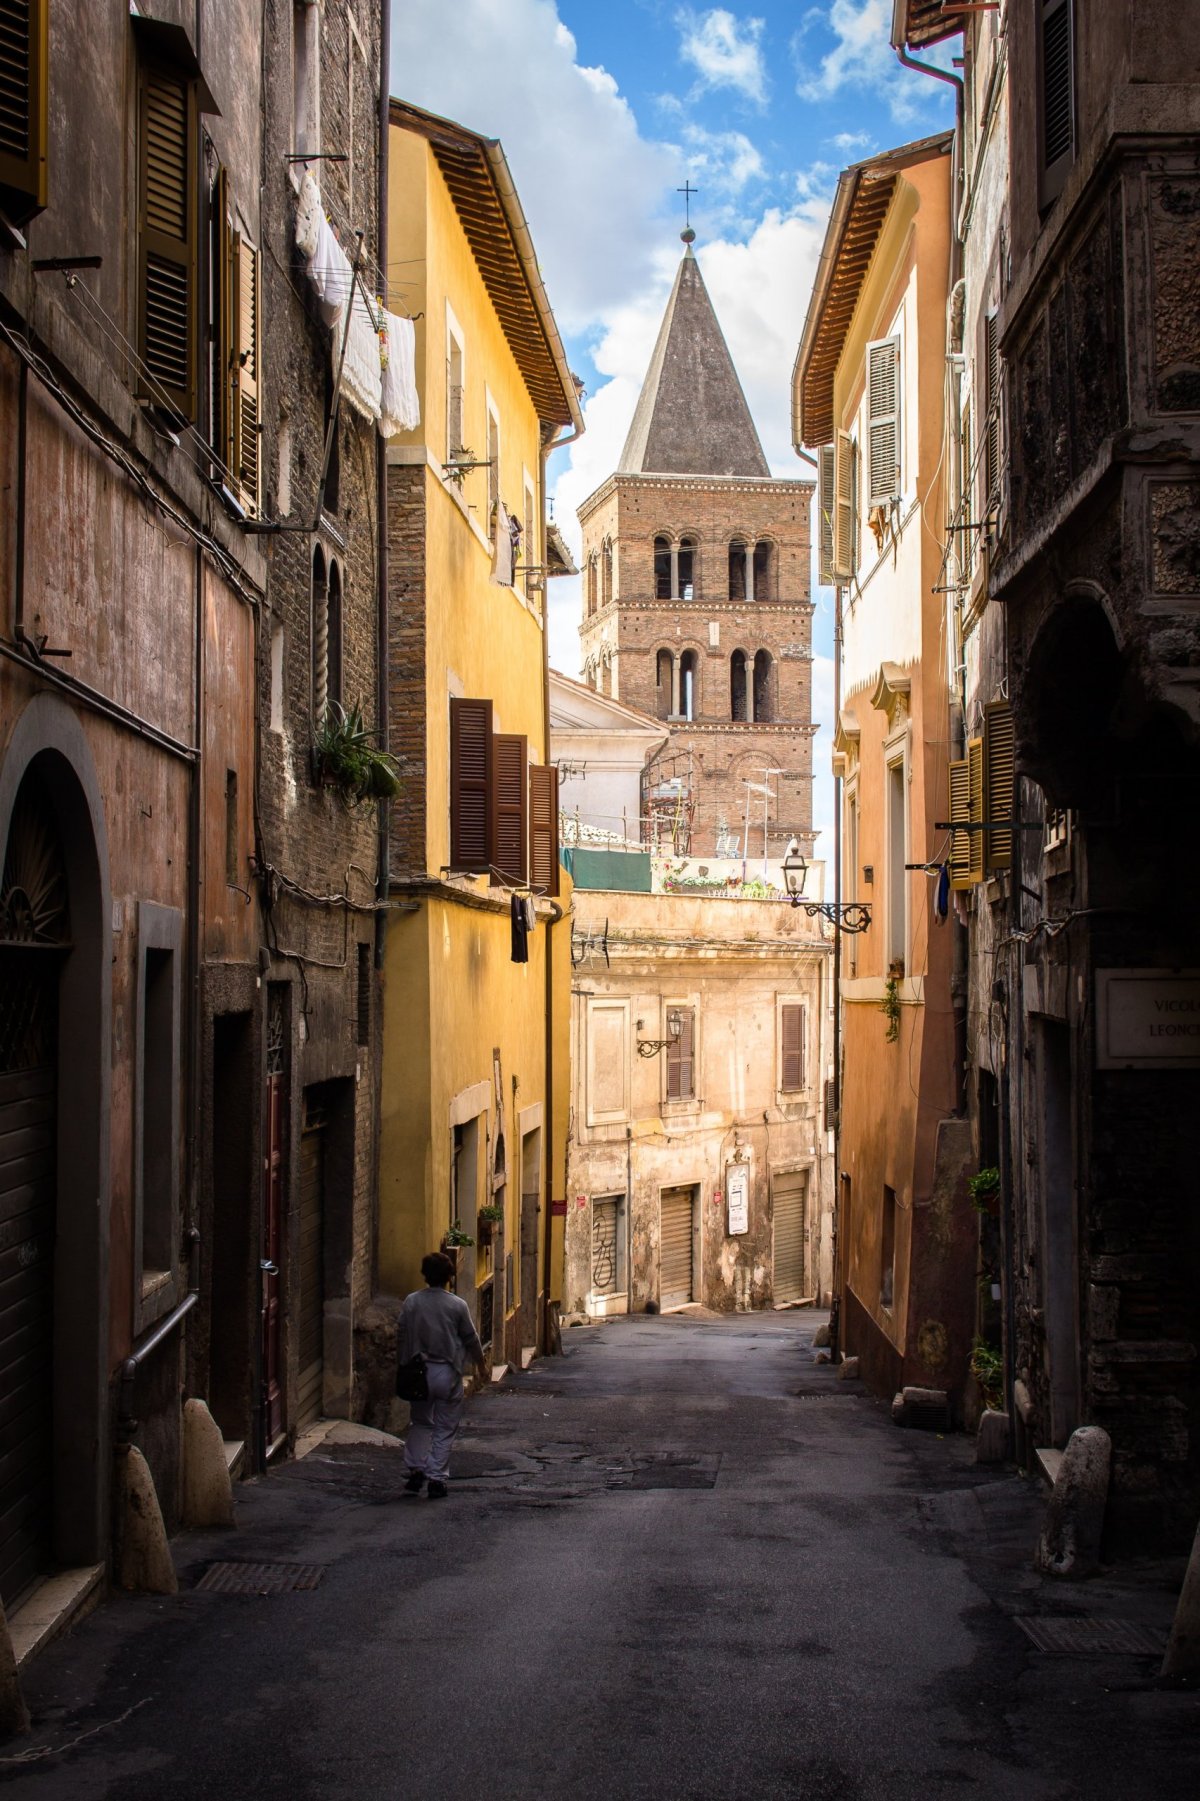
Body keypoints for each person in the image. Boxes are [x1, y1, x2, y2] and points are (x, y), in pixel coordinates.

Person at [396, 1250, 487, 1499]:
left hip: (419, 1372)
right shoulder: (457, 1305)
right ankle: (436, 1477)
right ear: (450, 1277)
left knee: (421, 1422)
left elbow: (402, 1334)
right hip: (446, 1372)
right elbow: (471, 1338)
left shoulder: (412, 1302)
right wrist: (481, 1364)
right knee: (445, 1427)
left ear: (425, 1275)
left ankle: (416, 1469)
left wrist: (402, 1363)